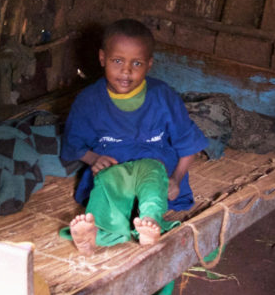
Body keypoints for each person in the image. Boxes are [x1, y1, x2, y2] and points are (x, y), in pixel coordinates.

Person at [60, 19, 208, 254]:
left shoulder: (163, 96)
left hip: (154, 169)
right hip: (115, 169)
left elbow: (189, 143)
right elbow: (73, 144)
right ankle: (97, 235)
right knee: (106, 183)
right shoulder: (88, 101)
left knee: (151, 182)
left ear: (149, 65)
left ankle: (150, 224)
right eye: (117, 61)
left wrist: (177, 180)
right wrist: (93, 159)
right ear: (102, 58)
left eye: (136, 63)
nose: (126, 71)